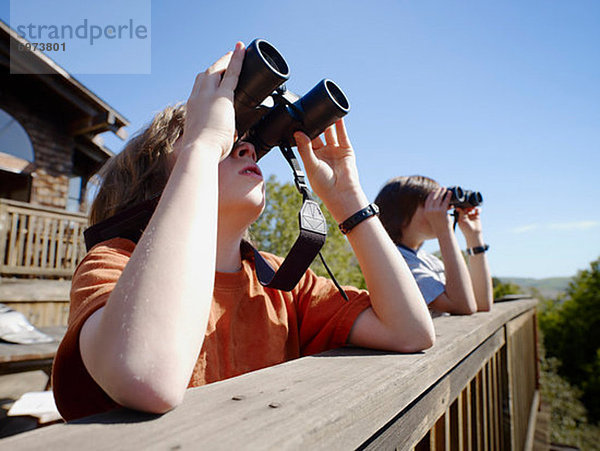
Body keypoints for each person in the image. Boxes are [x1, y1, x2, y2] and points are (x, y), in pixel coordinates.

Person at [52, 42, 436, 421]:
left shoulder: (280, 282)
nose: (246, 149)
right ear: (155, 187)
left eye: (248, 142)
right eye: (226, 141)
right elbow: (145, 375)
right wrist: (202, 147)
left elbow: (409, 331)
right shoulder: (115, 265)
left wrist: (348, 199)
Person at [375, 175, 493, 316]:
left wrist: (474, 237)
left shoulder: (428, 260)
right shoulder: (398, 263)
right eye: (431, 203)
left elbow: (481, 304)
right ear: (400, 212)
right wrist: (444, 231)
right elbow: (463, 306)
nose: (441, 211)